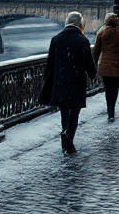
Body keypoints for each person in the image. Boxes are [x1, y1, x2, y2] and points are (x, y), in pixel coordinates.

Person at [40, 11, 96, 154]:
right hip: (77, 81)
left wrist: (48, 80)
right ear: (80, 24)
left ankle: (65, 131)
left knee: (64, 111)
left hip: (60, 80)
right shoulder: (83, 41)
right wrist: (92, 74)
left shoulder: (56, 39)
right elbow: (89, 63)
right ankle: (69, 139)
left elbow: (50, 63)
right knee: (75, 112)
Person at [93, 14, 119, 121]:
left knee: (107, 87)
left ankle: (109, 109)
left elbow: (96, 49)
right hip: (116, 64)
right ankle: (112, 109)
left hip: (104, 63)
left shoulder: (101, 32)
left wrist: (95, 61)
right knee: (115, 87)